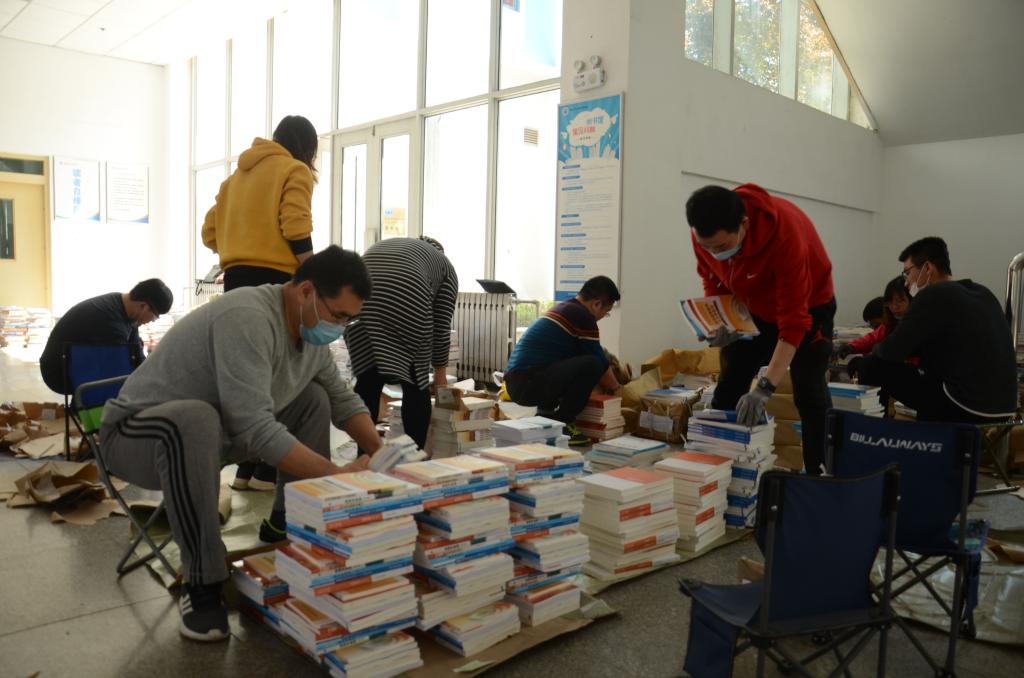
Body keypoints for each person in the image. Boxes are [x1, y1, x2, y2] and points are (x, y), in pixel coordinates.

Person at [99, 246, 383, 642]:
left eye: (350, 319)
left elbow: (342, 399)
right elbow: (254, 428)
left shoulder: (311, 332)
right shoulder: (248, 317)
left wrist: (385, 454)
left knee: (313, 399)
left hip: (214, 435)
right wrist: (337, 475)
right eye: (338, 316)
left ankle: (294, 527)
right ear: (306, 292)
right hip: (138, 437)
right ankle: (202, 582)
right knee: (195, 418)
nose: (340, 327)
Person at [202, 114, 321, 490]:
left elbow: (208, 232)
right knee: (281, 378)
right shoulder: (294, 170)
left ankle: (244, 469)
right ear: (307, 147)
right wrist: (313, 273)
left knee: (248, 375)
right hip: (276, 282)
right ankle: (268, 471)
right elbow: (295, 224)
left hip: (235, 281)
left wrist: (239, 246)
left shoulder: (235, 178)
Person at [686, 184, 835, 475]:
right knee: (731, 383)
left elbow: (794, 321)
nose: (714, 253)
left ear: (744, 224)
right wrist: (721, 320)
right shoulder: (705, 235)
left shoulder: (785, 236)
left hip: (809, 306)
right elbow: (712, 279)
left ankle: (821, 474)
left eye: (721, 247)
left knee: (809, 390)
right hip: (752, 305)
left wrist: (765, 387)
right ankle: (715, 473)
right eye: (707, 247)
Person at [857, 237, 1017, 423]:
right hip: (1005, 408)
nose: (906, 283)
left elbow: (891, 350)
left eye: (907, 273)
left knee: (870, 365)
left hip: (963, 405)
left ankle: (875, 434)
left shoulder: (932, 294)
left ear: (927, 268)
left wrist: (873, 351)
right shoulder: (982, 292)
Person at [344, 236, 458, 449]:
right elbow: (441, 327)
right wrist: (440, 376)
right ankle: (414, 456)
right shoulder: (445, 266)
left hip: (358, 291)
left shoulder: (396, 246)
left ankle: (365, 454)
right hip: (407, 291)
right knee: (415, 382)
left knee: (368, 380)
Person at [503, 276, 622, 447]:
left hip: (518, 382)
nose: (604, 316)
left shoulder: (566, 308)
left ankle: (545, 415)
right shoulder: (582, 316)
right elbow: (601, 363)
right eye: (606, 312)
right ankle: (564, 422)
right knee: (592, 364)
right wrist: (619, 390)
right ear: (596, 304)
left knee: (572, 358)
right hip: (527, 383)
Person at [39, 279, 173, 394]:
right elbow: (119, 369)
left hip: (79, 362)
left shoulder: (125, 308)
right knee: (123, 386)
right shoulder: (110, 322)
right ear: (143, 306)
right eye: (155, 317)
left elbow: (136, 353)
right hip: (59, 372)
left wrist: (153, 374)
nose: (152, 321)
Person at [836, 277, 911, 360]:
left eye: (899, 301)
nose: (894, 307)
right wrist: (851, 347)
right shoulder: (891, 323)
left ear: (911, 300)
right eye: (890, 302)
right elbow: (871, 339)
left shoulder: (915, 323)